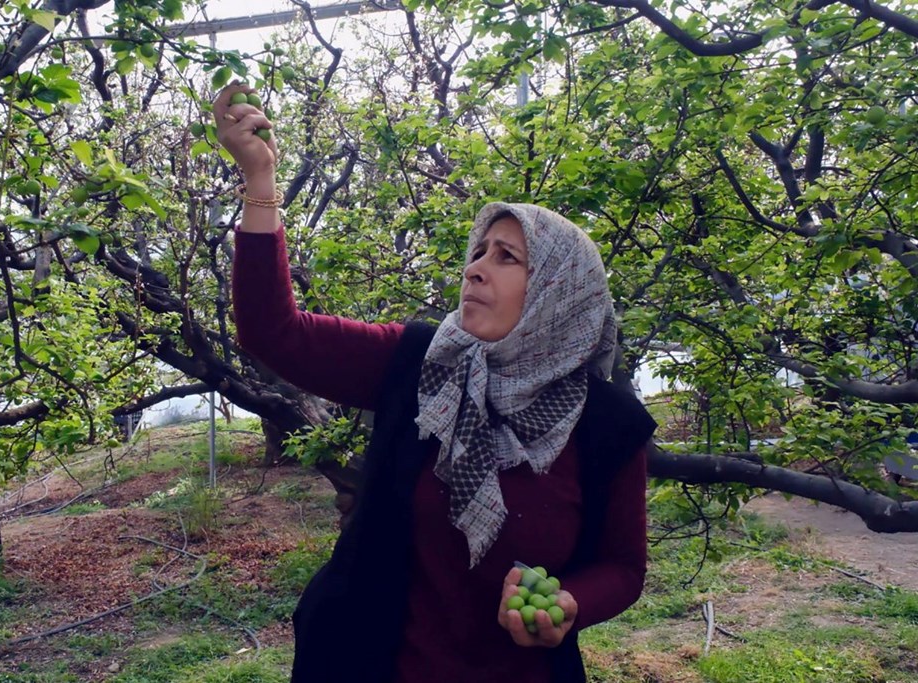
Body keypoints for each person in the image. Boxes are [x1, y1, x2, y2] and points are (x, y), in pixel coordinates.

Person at [215, 84, 657, 683]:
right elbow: (274, 333)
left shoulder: (606, 424)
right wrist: (260, 183)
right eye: (480, 251)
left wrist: (570, 604)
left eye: (506, 258)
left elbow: (624, 567)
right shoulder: (423, 362)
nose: (475, 266)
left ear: (560, 293)